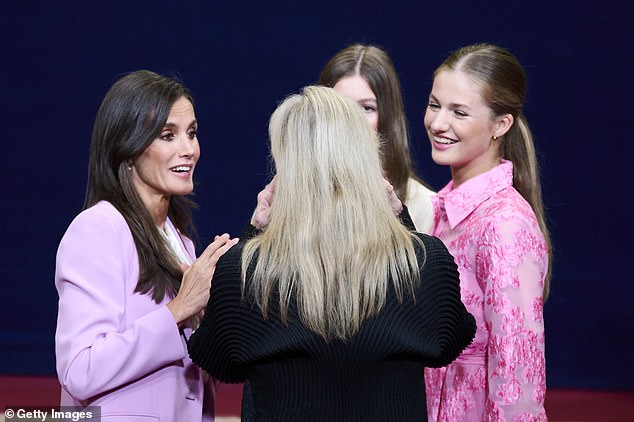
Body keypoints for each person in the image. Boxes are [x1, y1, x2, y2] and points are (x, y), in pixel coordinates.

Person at [188, 86, 476, 421]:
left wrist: (256, 232)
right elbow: (449, 340)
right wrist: (401, 224)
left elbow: (220, 360)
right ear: (367, 157)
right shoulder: (426, 260)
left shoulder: (244, 269)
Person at [54, 70, 238, 421]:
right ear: (128, 146)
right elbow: (80, 369)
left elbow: (191, 379)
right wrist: (178, 311)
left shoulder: (179, 240)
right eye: (168, 135)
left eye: (192, 133)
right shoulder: (98, 228)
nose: (189, 150)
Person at [422, 43, 552, 421]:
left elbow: (518, 380)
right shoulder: (446, 212)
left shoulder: (504, 224)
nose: (438, 123)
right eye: (434, 105)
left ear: (501, 124)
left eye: (459, 112)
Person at [318, 43, 436, 233]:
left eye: (367, 108)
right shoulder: (289, 196)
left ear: (387, 117)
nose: (353, 120)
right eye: (341, 106)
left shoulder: (424, 206)